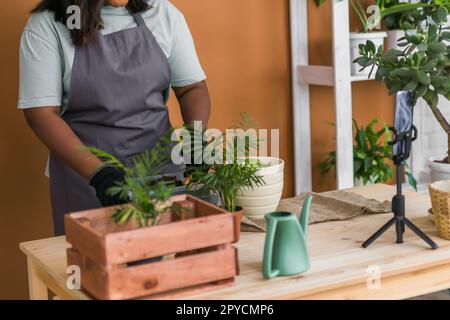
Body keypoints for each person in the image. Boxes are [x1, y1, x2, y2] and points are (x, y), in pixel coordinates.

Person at [18, 0, 211, 235]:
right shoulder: (47, 25)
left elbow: (192, 88)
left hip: (162, 176)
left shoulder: (162, 12)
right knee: (93, 266)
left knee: (168, 262)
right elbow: (41, 114)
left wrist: (195, 138)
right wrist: (100, 175)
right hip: (88, 182)